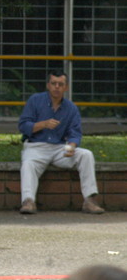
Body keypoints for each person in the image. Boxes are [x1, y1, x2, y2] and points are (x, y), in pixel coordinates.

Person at [18, 69, 104, 215]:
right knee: (28, 164)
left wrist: (71, 145)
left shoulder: (71, 108)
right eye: (53, 83)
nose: (57, 87)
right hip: (36, 147)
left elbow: (75, 133)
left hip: (59, 148)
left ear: (66, 87)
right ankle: (28, 201)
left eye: (60, 84)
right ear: (48, 85)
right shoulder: (35, 100)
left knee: (86, 155)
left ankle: (89, 200)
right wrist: (43, 124)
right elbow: (23, 126)